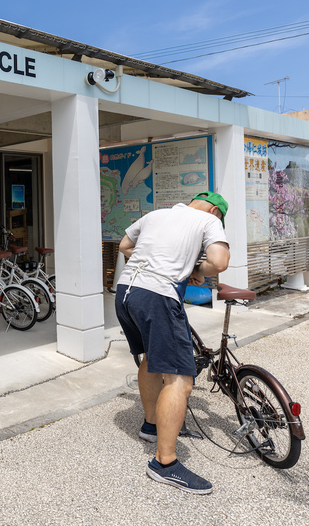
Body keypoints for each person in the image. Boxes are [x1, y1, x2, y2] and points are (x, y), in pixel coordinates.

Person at [115, 190, 231, 495]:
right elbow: (219, 262)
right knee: (180, 378)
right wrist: (196, 270)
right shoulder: (209, 220)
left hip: (127, 290)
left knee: (152, 359)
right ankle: (164, 464)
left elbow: (124, 245)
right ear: (216, 212)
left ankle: (151, 425)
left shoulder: (157, 214)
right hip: (157, 295)